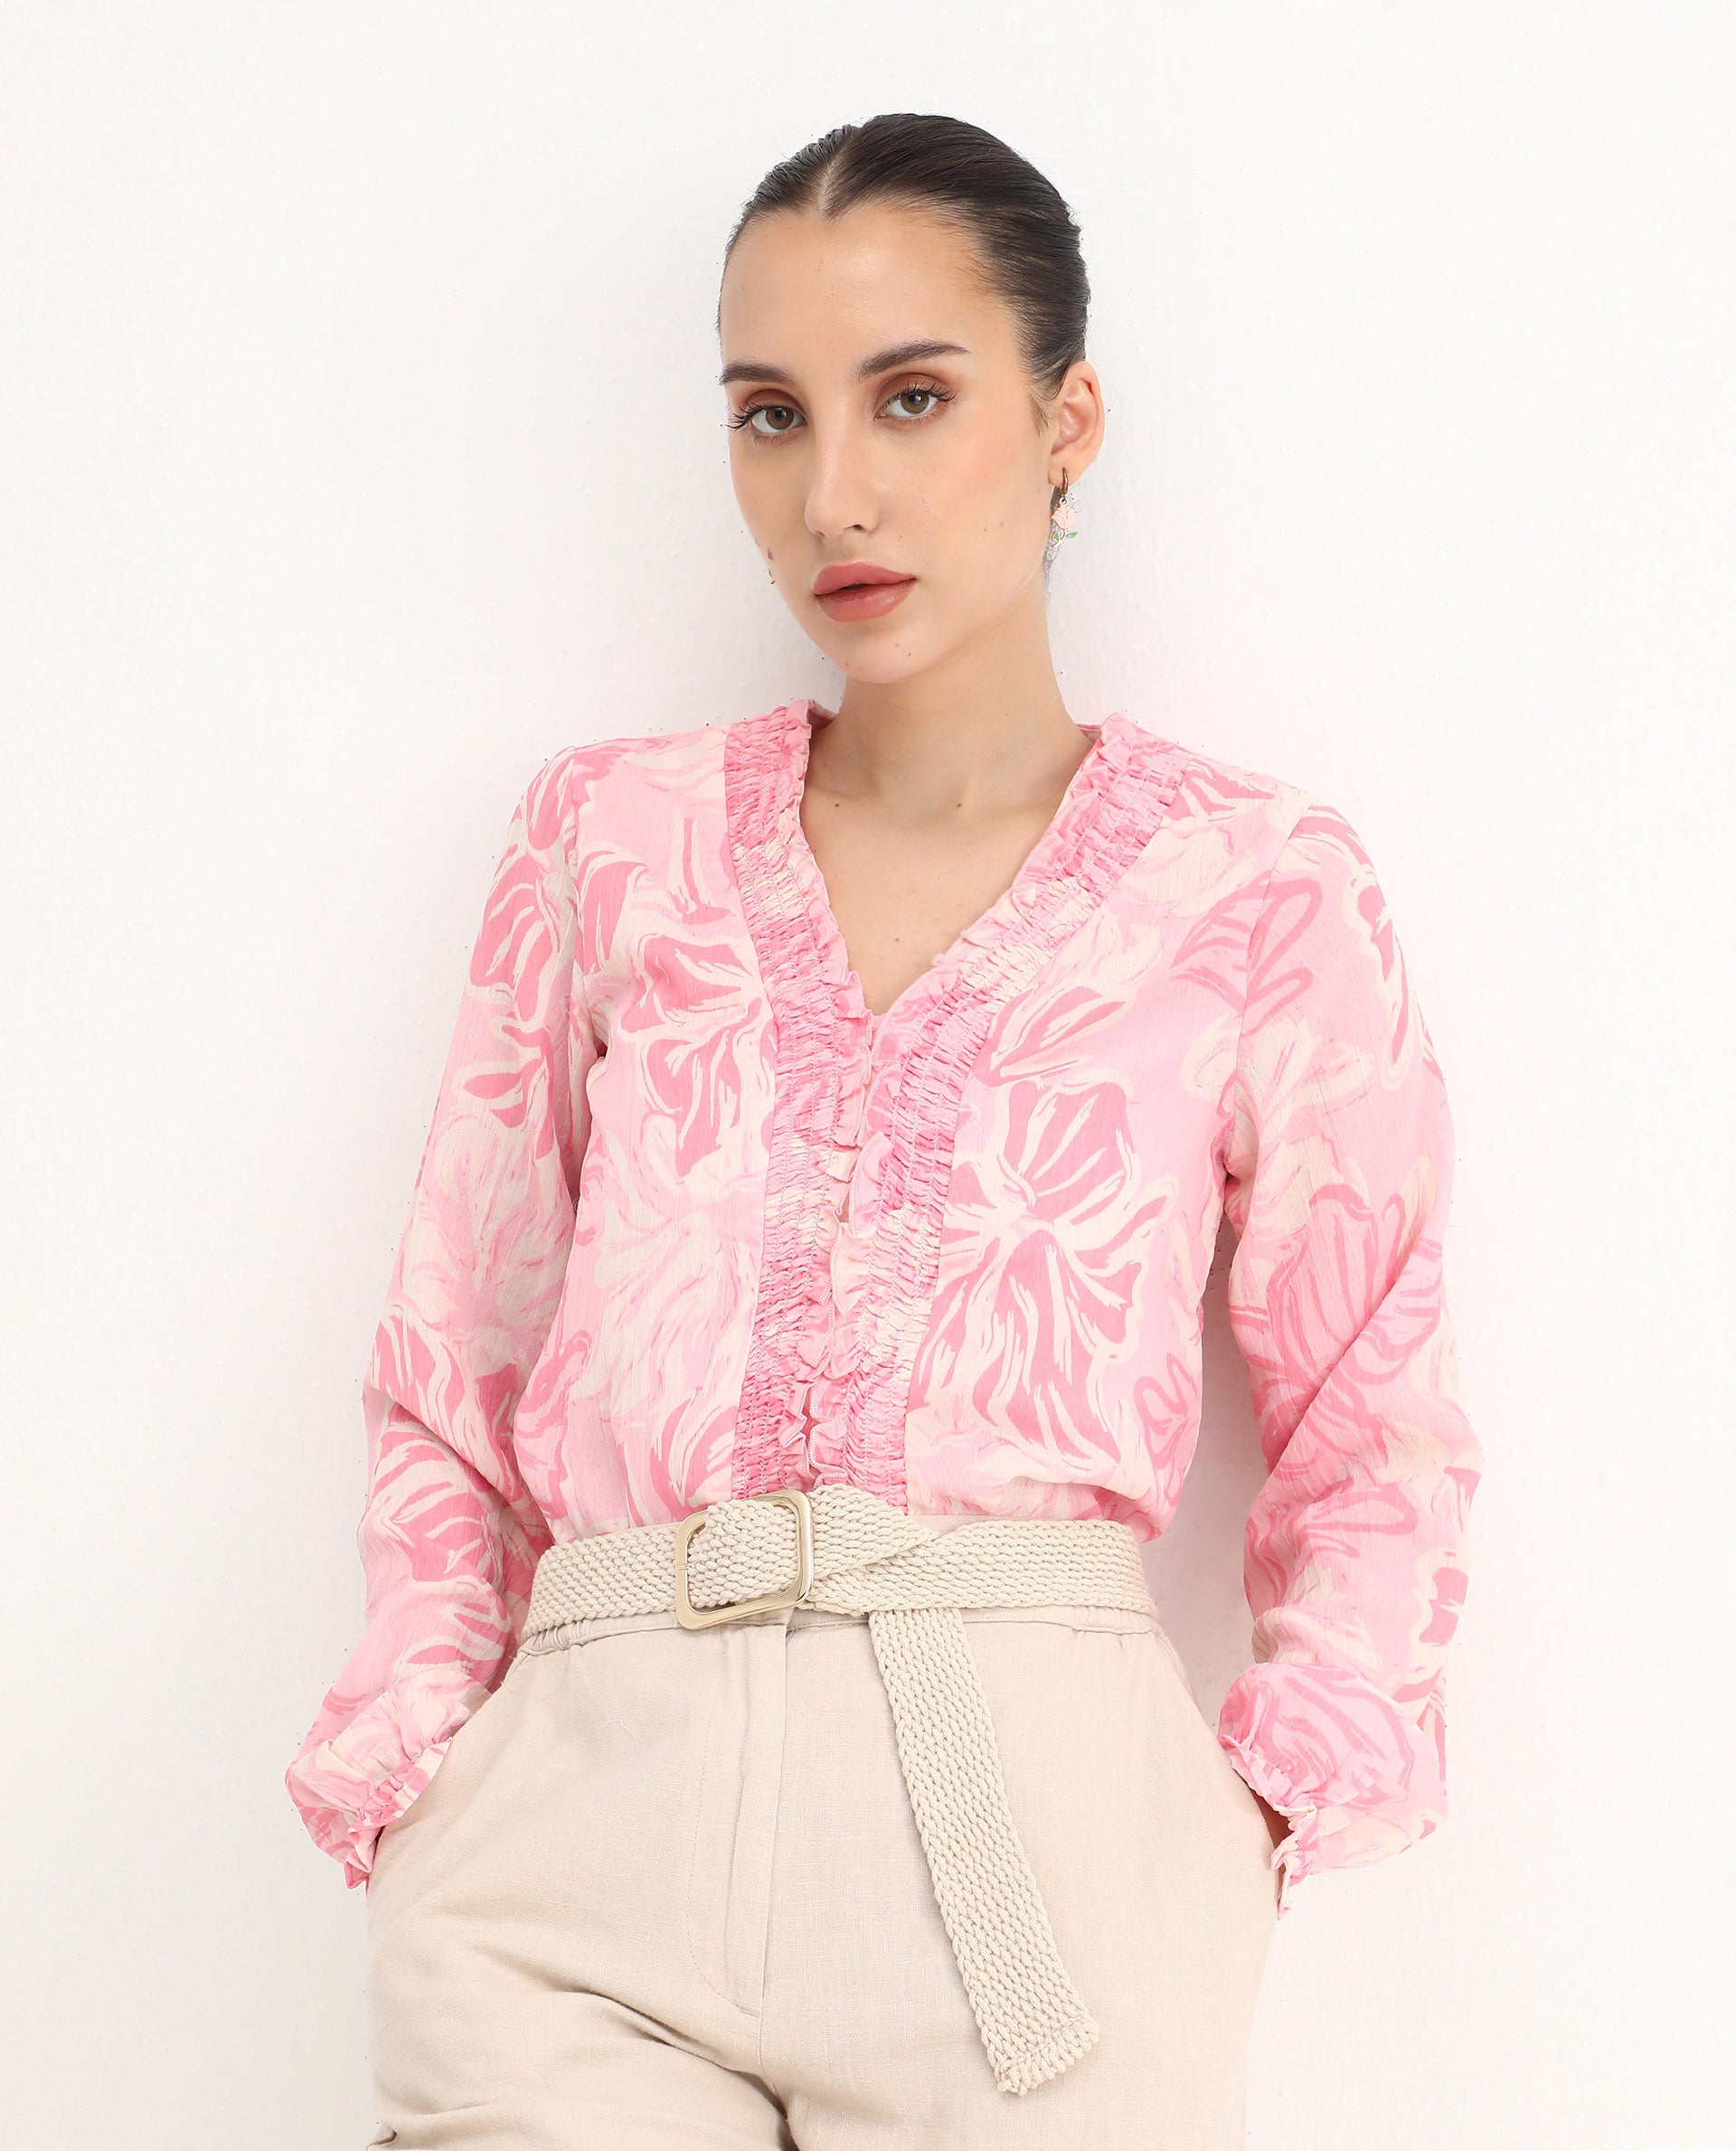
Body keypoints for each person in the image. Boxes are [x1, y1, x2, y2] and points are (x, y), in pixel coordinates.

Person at [287, 112, 1483, 2149]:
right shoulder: (606, 840)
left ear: (1067, 417)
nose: (832, 490)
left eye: (911, 397)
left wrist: (1252, 1814)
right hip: (570, 1846)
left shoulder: (1258, 885)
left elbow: (1378, 1413)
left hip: (1043, 1866)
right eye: (771, 413)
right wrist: (422, 1753)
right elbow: (456, 1345)